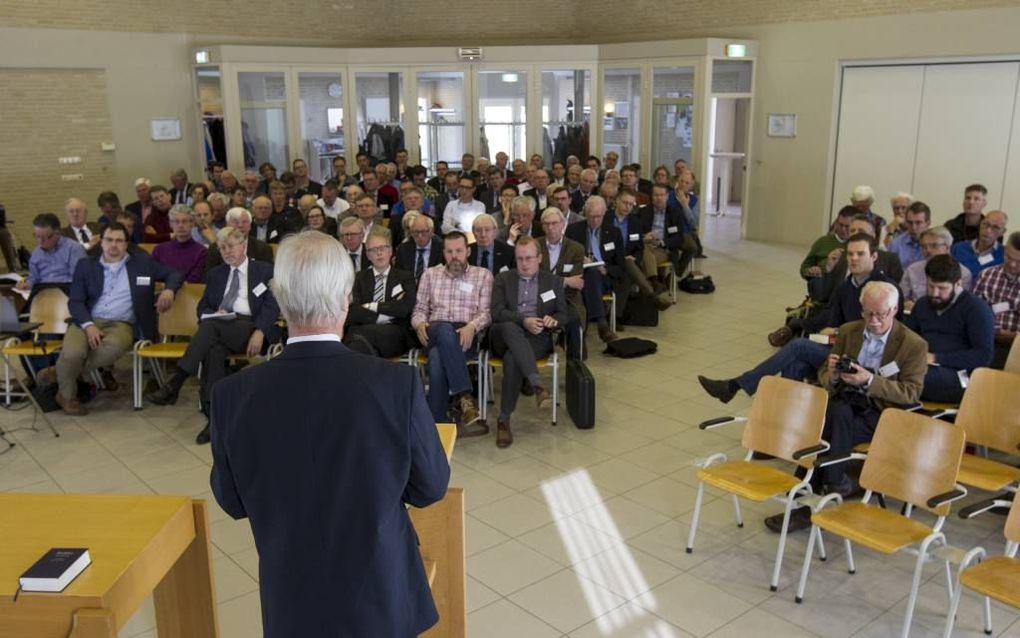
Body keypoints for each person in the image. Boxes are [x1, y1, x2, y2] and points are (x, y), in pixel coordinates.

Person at [209, 229, 449, 637]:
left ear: (282, 300)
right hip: (379, 596)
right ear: (345, 298)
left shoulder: (232, 394)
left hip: (292, 596)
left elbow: (232, 499)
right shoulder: (396, 385)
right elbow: (430, 487)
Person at [767, 281, 926, 532]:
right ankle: (831, 485)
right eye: (868, 313)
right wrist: (831, 376)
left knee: (827, 425)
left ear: (895, 310)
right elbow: (824, 375)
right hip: (845, 402)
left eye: (881, 314)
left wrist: (870, 380)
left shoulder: (913, 344)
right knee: (837, 413)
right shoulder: (850, 331)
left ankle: (804, 493)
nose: (873, 320)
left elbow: (911, 393)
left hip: (880, 412)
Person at [701, 234, 901, 403]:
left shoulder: (886, 288)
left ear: (874, 256)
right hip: (841, 349)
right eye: (850, 254)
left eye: (860, 254)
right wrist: (829, 329)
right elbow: (833, 319)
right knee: (793, 364)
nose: (854, 259)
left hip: (868, 357)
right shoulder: (846, 286)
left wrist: (841, 331)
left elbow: (892, 333)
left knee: (798, 346)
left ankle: (736, 385)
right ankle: (786, 421)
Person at [147, 227, 278, 442]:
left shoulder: (265, 271)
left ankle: (176, 381)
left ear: (243, 246)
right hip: (221, 328)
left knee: (210, 329)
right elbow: (202, 308)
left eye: (231, 246)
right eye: (222, 248)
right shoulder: (216, 274)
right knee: (213, 352)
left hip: (250, 327)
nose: (226, 251)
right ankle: (213, 420)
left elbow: (272, 306)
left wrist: (260, 331)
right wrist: (214, 313)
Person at [43, 223, 183, 415]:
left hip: (121, 325)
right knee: (73, 353)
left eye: (119, 241)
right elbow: (75, 301)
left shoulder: (142, 263)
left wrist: (169, 289)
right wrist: (88, 325)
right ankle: (67, 396)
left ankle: (61, 371)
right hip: (86, 321)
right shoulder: (86, 266)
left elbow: (175, 273)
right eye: (109, 240)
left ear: (126, 244)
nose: (114, 245)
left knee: (112, 349)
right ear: (101, 242)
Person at [488, 236, 569, 448]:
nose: (524, 264)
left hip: (537, 337)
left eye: (529, 258)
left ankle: (504, 420)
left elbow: (565, 312)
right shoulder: (503, 279)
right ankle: (536, 383)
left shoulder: (552, 281)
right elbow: (496, 312)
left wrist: (555, 319)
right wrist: (524, 321)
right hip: (502, 335)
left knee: (513, 358)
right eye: (519, 258)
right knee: (508, 327)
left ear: (540, 258)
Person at [411, 231, 492, 435]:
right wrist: (419, 324)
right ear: (443, 252)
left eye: (459, 251)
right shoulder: (430, 274)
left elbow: (487, 313)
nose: (454, 256)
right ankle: (464, 395)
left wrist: (472, 326)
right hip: (434, 330)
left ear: (468, 251)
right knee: (444, 330)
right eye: (449, 251)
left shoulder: (483, 275)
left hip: (465, 333)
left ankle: (437, 422)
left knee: (438, 357)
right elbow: (419, 309)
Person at [903, 255, 994, 403]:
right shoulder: (922, 305)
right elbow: (908, 338)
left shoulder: (977, 309)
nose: (934, 293)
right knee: (886, 369)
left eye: (942, 288)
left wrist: (936, 358)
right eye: (931, 286)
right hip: (921, 365)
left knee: (918, 377)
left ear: (958, 284)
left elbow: (983, 356)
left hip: (960, 374)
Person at [344, 229, 416, 358]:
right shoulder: (358, 279)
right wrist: (381, 317)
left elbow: (404, 308)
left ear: (390, 251)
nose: (379, 253)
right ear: (368, 255)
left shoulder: (405, 277)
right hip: (365, 333)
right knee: (362, 341)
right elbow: (353, 311)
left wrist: (372, 306)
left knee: (358, 342)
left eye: (383, 248)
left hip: (393, 334)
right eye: (373, 250)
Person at [973, 231, 1020, 369]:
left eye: (1019, 262)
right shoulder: (987, 275)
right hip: (985, 340)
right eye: (1008, 257)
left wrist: (1014, 337)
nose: (1012, 265)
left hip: (1017, 348)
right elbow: (974, 313)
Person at [901, 226, 974, 308]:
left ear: (947, 247)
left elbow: (961, 304)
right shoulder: (912, 270)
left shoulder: (963, 273)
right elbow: (902, 298)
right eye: (924, 246)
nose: (928, 250)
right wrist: (906, 304)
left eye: (934, 246)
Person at [17, 213, 87, 297]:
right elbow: (34, 279)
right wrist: (27, 284)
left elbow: (79, 280)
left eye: (45, 237)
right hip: (42, 295)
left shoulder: (74, 249)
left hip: (67, 294)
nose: (40, 241)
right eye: (37, 236)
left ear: (57, 233)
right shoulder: (36, 253)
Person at [638, 184, 692, 282]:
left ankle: (650, 287)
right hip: (645, 244)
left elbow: (679, 238)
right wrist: (645, 237)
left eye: (662, 195)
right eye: (656, 195)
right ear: (651, 196)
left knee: (642, 261)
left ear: (667, 196)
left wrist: (662, 242)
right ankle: (654, 285)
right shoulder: (643, 212)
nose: (659, 198)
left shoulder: (675, 213)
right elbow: (636, 232)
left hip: (663, 249)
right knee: (643, 251)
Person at [205, 208, 274, 271]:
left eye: (244, 222)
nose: (240, 225)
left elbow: (267, 275)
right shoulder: (215, 248)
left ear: (250, 226)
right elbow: (210, 276)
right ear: (227, 225)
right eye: (235, 222)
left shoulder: (263, 249)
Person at [151, 205, 207, 283]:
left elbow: (194, 280)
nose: (180, 225)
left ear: (192, 223)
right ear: (171, 224)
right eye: (176, 221)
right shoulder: (159, 250)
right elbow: (153, 275)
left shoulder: (201, 251)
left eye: (184, 221)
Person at [800, 206, 854, 281]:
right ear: (836, 223)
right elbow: (804, 268)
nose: (843, 229)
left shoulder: (857, 244)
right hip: (822, 283)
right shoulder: (822, 242)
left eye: (847, 226)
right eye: (840, 225)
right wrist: (810, 271)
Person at [951, 210, 1007, 276]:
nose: (988, 230)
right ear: (980, 224)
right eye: (986, 224)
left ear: (1002, 232)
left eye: (995, 227)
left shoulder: (1004, 255)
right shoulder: (958, 248)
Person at [396, 214, 443, 281]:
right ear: (411, 232)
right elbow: (399, 275)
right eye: (416, 232)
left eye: (423, 232)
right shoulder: (403, 249)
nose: (420, 236)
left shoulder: (442, 248)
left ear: (431, 231)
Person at [887, 201, 930, 269]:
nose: (913, 227)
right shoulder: (895, 244)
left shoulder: (936, 244)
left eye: (918, 223)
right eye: (910, 222)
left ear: (928, 223)